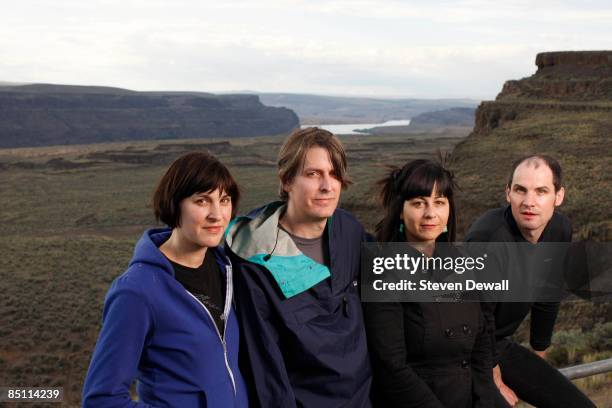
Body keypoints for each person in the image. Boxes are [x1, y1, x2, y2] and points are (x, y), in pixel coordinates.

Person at [82, 152, 249, 407]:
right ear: (174, 204)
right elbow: (101, 399)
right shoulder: (137, 292)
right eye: (202, 201)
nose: (217, 214)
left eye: (224, 200)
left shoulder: (228, 269)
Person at [225, 127, 372, 407]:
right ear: (287, 180)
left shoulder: (349, 230)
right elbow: (265, 368)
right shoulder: (256, 262)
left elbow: (405, 280)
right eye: (313, 174)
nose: (327, 186)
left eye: (334, 173)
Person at [465, 154, 595, 408]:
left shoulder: (559, 229)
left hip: (498, 343)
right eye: (520, 190)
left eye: (541, 191)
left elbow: (548, 295)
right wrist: (495, 377)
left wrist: (539, 355)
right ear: (508, 193)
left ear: (559, 196)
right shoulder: (488, 239)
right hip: (464, 346)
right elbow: (479, 317)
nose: (529, 202)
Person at [363, 159, 495, 408]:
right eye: (418, 203)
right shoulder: (383, 271)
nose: (430, 214)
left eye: (439, 202)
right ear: (400, 210)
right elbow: (391, 367)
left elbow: (482, 342)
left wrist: (487, 399)